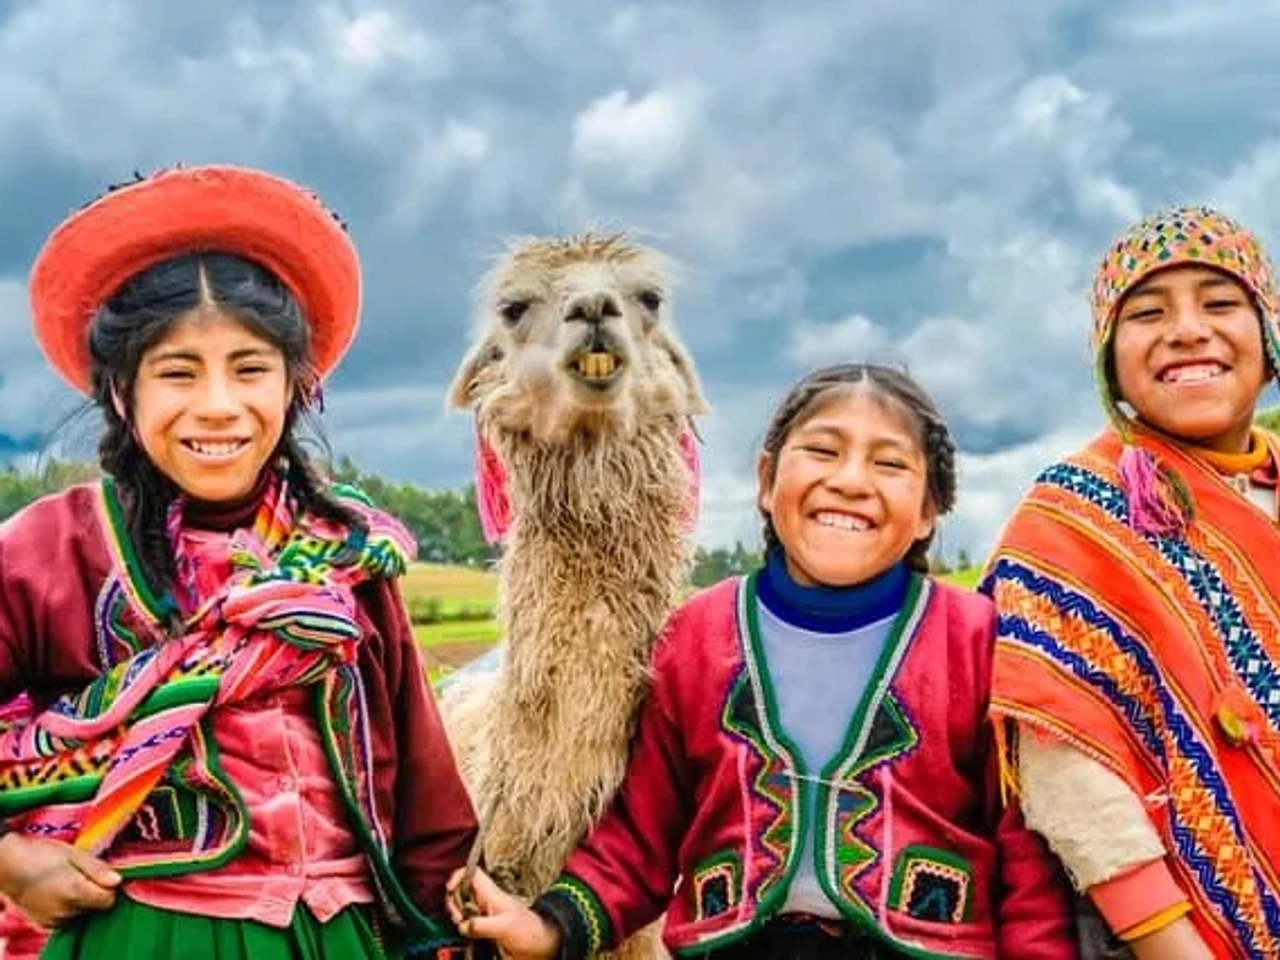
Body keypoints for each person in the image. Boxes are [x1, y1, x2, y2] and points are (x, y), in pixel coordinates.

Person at [0, 165, 478, 959]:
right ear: (121, 392)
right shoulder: (53, 551)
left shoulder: (346, 556)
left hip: (342, 935)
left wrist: (441, 929)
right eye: (178, 373)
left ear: (295, 387)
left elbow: (426, 791)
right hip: (146, 933)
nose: (219, 406)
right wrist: (11, 861)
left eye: (250, 368)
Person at [445, 362, 1077, 959]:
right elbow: (641, 836)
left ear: (929, 513)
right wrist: (549, 925)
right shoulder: (698, 638)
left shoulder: (975, 642)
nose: (850, 480)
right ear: (767, 481)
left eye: (888, 463)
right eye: (823, 451)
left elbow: (1024, 859)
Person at [981, 206, 1280, 959]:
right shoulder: (1071, 520)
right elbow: (1064, 764)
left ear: (1268, 336)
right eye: (1148, 313)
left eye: (1220, 303)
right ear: (1110, 362)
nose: (1188, 330)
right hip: (1166, 934)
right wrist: (1167, 941)